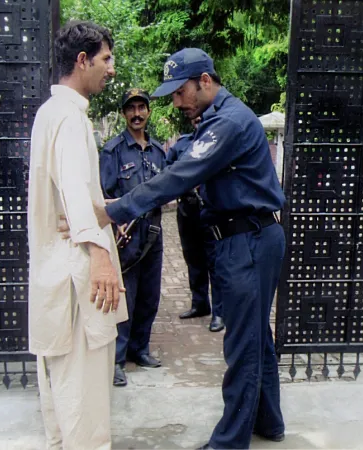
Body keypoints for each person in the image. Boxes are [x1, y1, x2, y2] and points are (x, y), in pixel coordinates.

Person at [94, 48, 287, 449]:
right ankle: (268, 422)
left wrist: (114, 211)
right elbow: (178, 159)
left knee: (243, 344)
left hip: (248, 240)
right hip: (245, 238)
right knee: (254, 336)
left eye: (180, 93)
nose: (176, 102)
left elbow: (178, 176)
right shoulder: (215, 120)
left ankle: (229, 443)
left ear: (204, 81)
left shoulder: (229, 123)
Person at [28, 21, 127, 450]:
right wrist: (100, 254)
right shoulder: (69, 118)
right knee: (85, 414)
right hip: (78, 282)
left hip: (58, 279)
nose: (111, 70)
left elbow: (73, 194)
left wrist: (106, 213)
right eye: (106, 59)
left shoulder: (52, 113)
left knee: (64, 408)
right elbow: (70, 187)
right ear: (82, 60)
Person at [99, 88, 166, 387]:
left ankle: (140, 349)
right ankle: (115, 360)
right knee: (125, 295)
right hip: (125, 235)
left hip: (153, 232)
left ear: (148, 112)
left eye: (142, 107)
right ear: (124, 114)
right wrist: (116, 224)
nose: (137, 113)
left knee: (150, 295)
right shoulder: (112, 151)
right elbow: (103, 194)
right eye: (131, 109)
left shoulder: (159, 152)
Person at [165, 119, 224, 333]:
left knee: (214, 261)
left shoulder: (219, 141)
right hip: (187, 209)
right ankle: (200, 304)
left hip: (211, 210)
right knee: (193, 258)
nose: (199, 120)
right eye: (196, 118)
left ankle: (219, 312)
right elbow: (168, 171)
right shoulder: (181, 145)